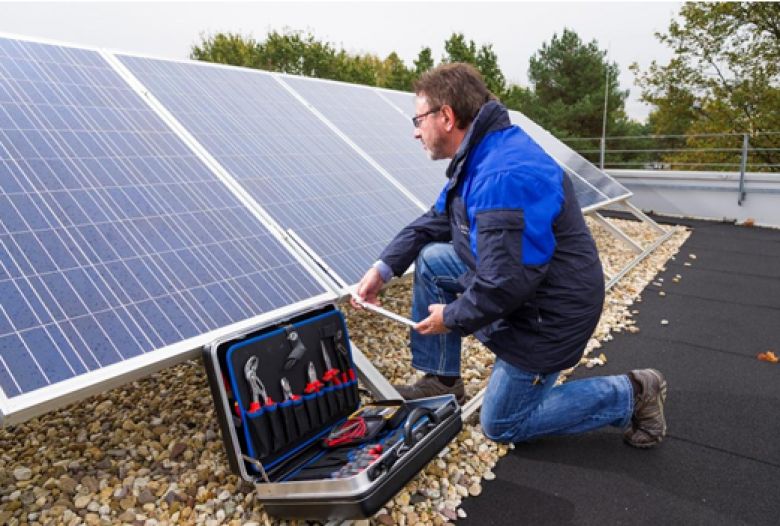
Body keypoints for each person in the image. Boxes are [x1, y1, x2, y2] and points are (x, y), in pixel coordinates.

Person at [351, 63, 667, 448]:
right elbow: (437, 219)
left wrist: (451, 317)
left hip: (549, 314)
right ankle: (442, 380)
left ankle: (633, 393)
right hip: (531, 285)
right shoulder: (482, 154)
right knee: (433, 260)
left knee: (502, 423)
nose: (416, 131)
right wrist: (383, 269)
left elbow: (505, 282)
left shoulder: (502, 175)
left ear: (446, 117)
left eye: (419, 120)